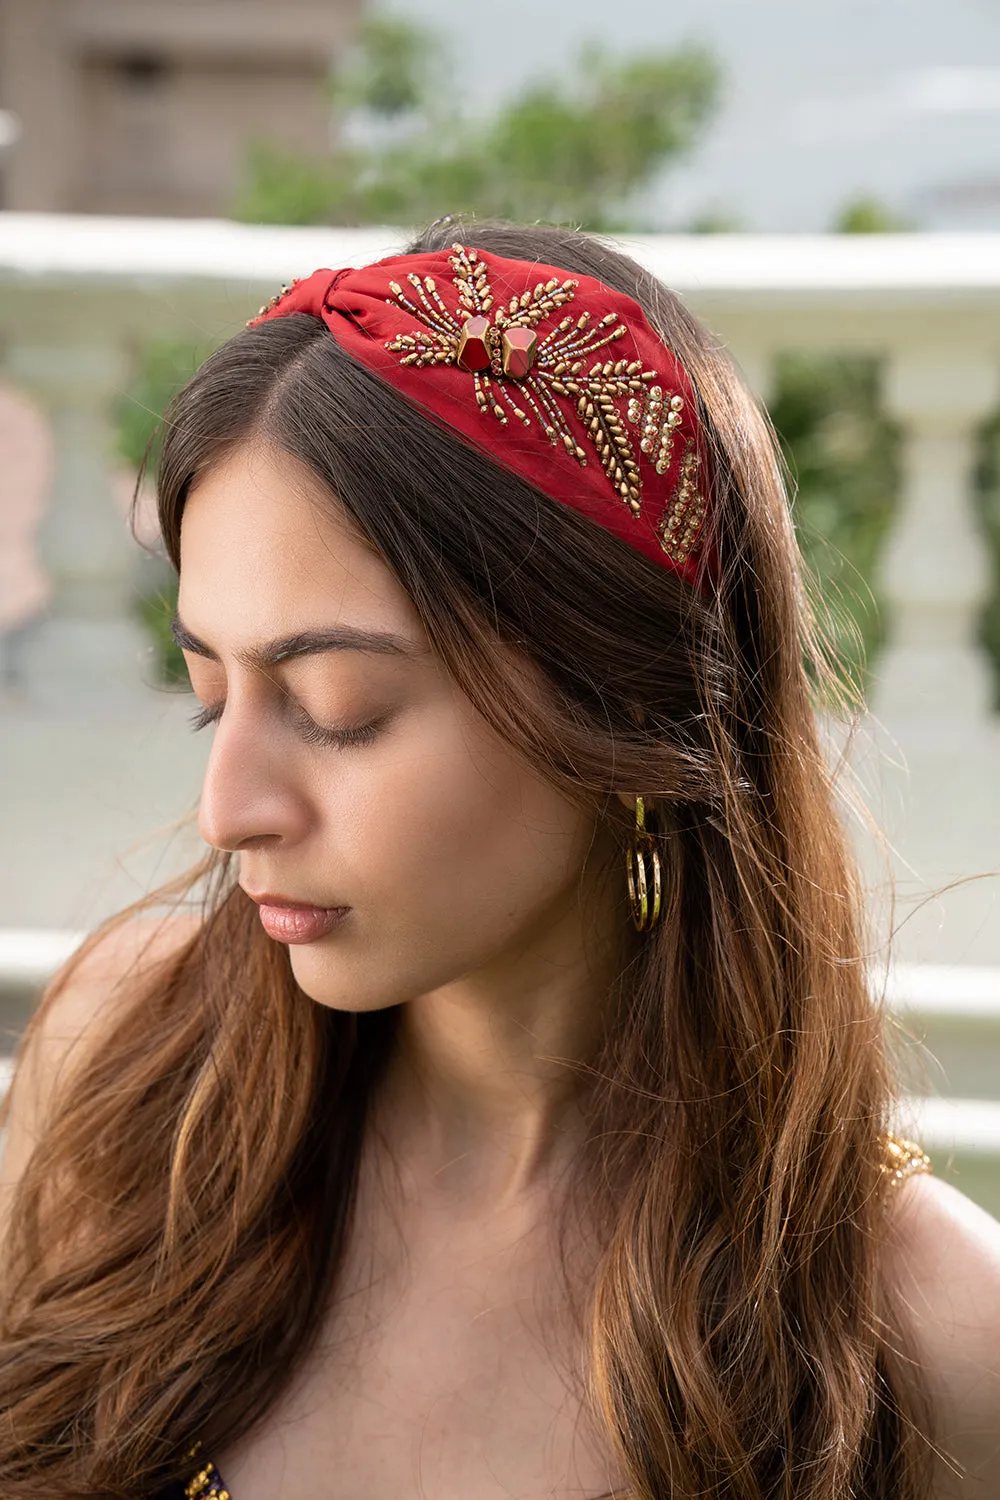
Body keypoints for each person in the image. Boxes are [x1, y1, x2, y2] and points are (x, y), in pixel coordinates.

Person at [1, 219, 998, 1500]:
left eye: (340, 703)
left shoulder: (925, 1340)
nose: (227, 808)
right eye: (209, 694)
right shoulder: (124, 1078)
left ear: (625, 707)